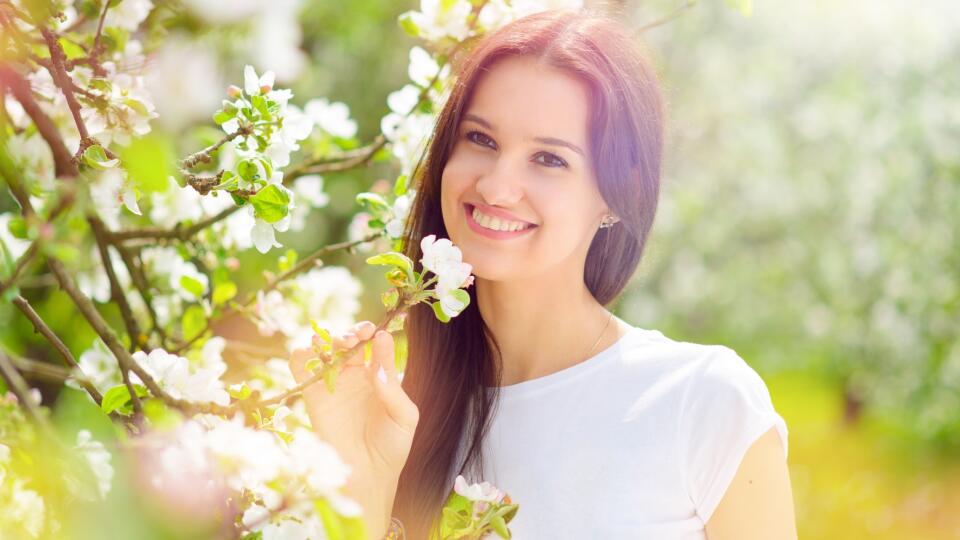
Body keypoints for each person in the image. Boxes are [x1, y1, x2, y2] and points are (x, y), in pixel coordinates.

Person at [289, 8, 797, 540]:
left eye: (550, 160)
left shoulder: (701, 402)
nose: (497, 187)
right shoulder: (398, 417)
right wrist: (364, 481)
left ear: (617, 195)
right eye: (481, 140)